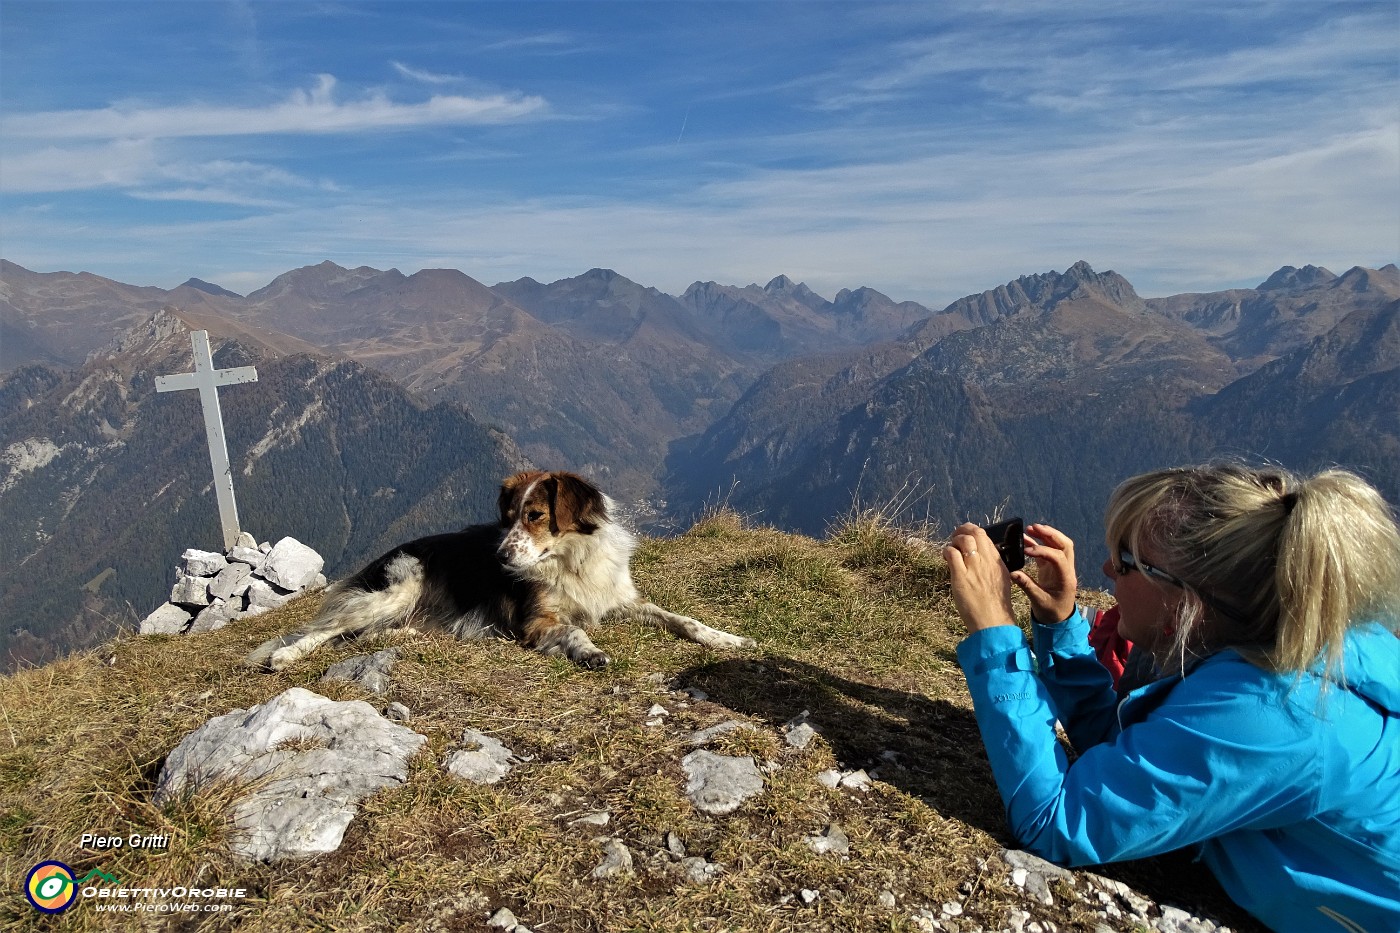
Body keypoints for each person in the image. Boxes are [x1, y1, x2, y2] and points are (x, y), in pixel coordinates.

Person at [944, 463, 1400, 933]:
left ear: (1187, 602)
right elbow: (1132, 753)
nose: (1106, 569)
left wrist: (995, 632)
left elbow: (1055, 821)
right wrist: (1060, 624)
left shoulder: (1275, 710)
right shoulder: (1294, 643)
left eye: (1126, 560)